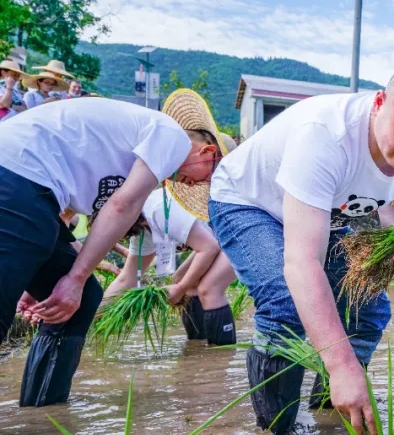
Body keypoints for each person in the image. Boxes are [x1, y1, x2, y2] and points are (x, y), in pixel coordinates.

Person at [208, 59, 394, 435]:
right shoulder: (325, 136)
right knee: (286, 302)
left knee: (367, 308)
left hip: (322, 213)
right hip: (250, 202)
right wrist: (341, 365)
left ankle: (333, 415)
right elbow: (302, 262)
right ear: (380, 103)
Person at [0, 93, 226, 406]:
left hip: (30, 191)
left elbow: (62, 216)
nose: (194, 185)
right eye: (207, 178)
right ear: (207, 152)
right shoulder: (171, 136)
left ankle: (42, 413)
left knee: (83, 300)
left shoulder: (140, 147)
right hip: (16, 177)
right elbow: (122, 205)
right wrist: (75, 278)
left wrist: (34, 277)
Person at [104, 103, 238, 345]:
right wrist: (93, 317)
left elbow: (209, 248)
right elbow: (128, 278)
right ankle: (197, 350)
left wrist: (181, 287)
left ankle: (221, 360)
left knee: (207, 288)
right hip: (218, 235)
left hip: (235, 232)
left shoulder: (156, 209)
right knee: (182, 279)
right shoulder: (141, 229)